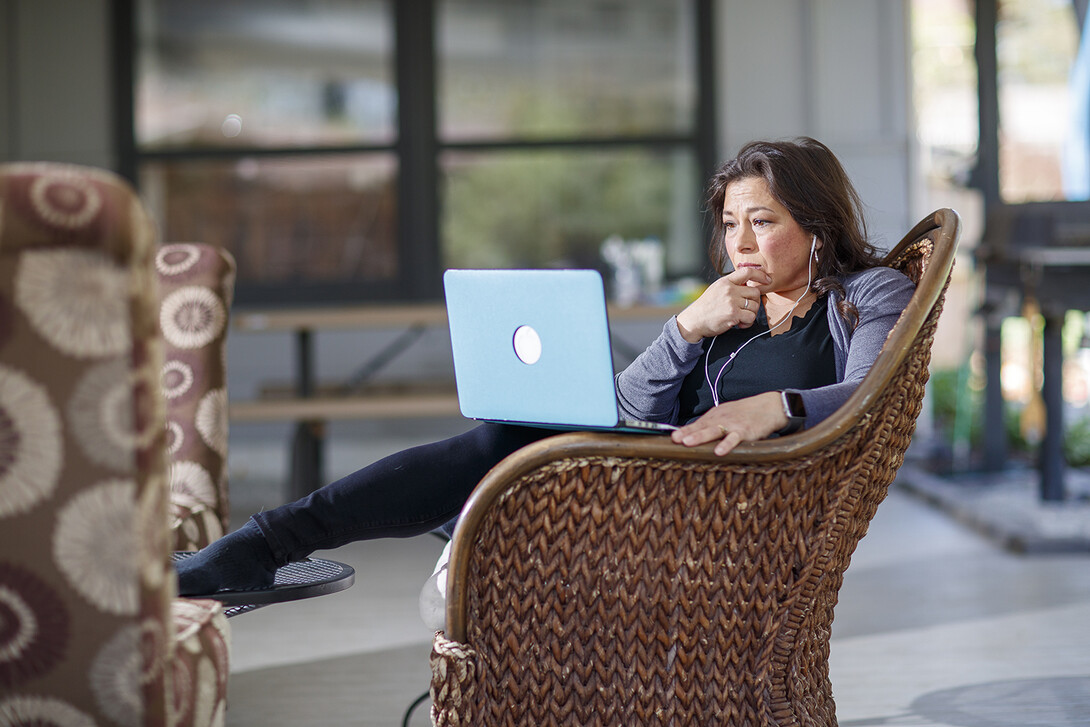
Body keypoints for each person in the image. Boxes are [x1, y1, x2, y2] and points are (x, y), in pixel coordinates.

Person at [176, 137, 915, 596]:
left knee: (497, 450)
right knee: (507, 431)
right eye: (729, 224)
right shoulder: (726, 302)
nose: (741, 242)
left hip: (743, 495)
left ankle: (268, 542)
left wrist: (776, 406)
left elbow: (869, 393)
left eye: (763, 221)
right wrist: (688, 325)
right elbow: (631, 402)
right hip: (669, 465)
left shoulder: (869, 291)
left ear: (815, 225)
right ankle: (274, 541)